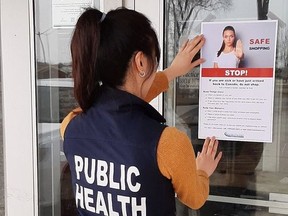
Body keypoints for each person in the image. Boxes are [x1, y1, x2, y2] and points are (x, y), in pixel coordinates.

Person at [60, 7, 222, 216]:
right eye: (155, 58)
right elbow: (195, 198)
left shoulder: (70, 126)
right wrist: (201, 171)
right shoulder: (168, 143)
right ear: (141, 61)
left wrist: (172, 72)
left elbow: (115, 105)